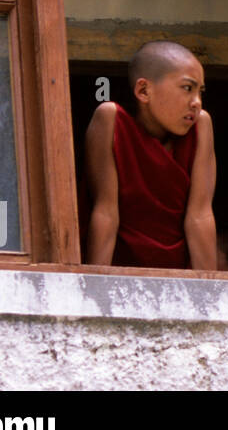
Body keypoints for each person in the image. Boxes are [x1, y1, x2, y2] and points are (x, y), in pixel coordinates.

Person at [84, 41, 217, 270]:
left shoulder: (200, 126)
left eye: (200, 92)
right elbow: (106, 212)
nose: (197, 102)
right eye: (187, 88)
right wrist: (96, 287)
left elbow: (200, 215)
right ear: (144, 91)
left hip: (178, 277)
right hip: (122, 273)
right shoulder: (112, 120)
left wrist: (208, 294)